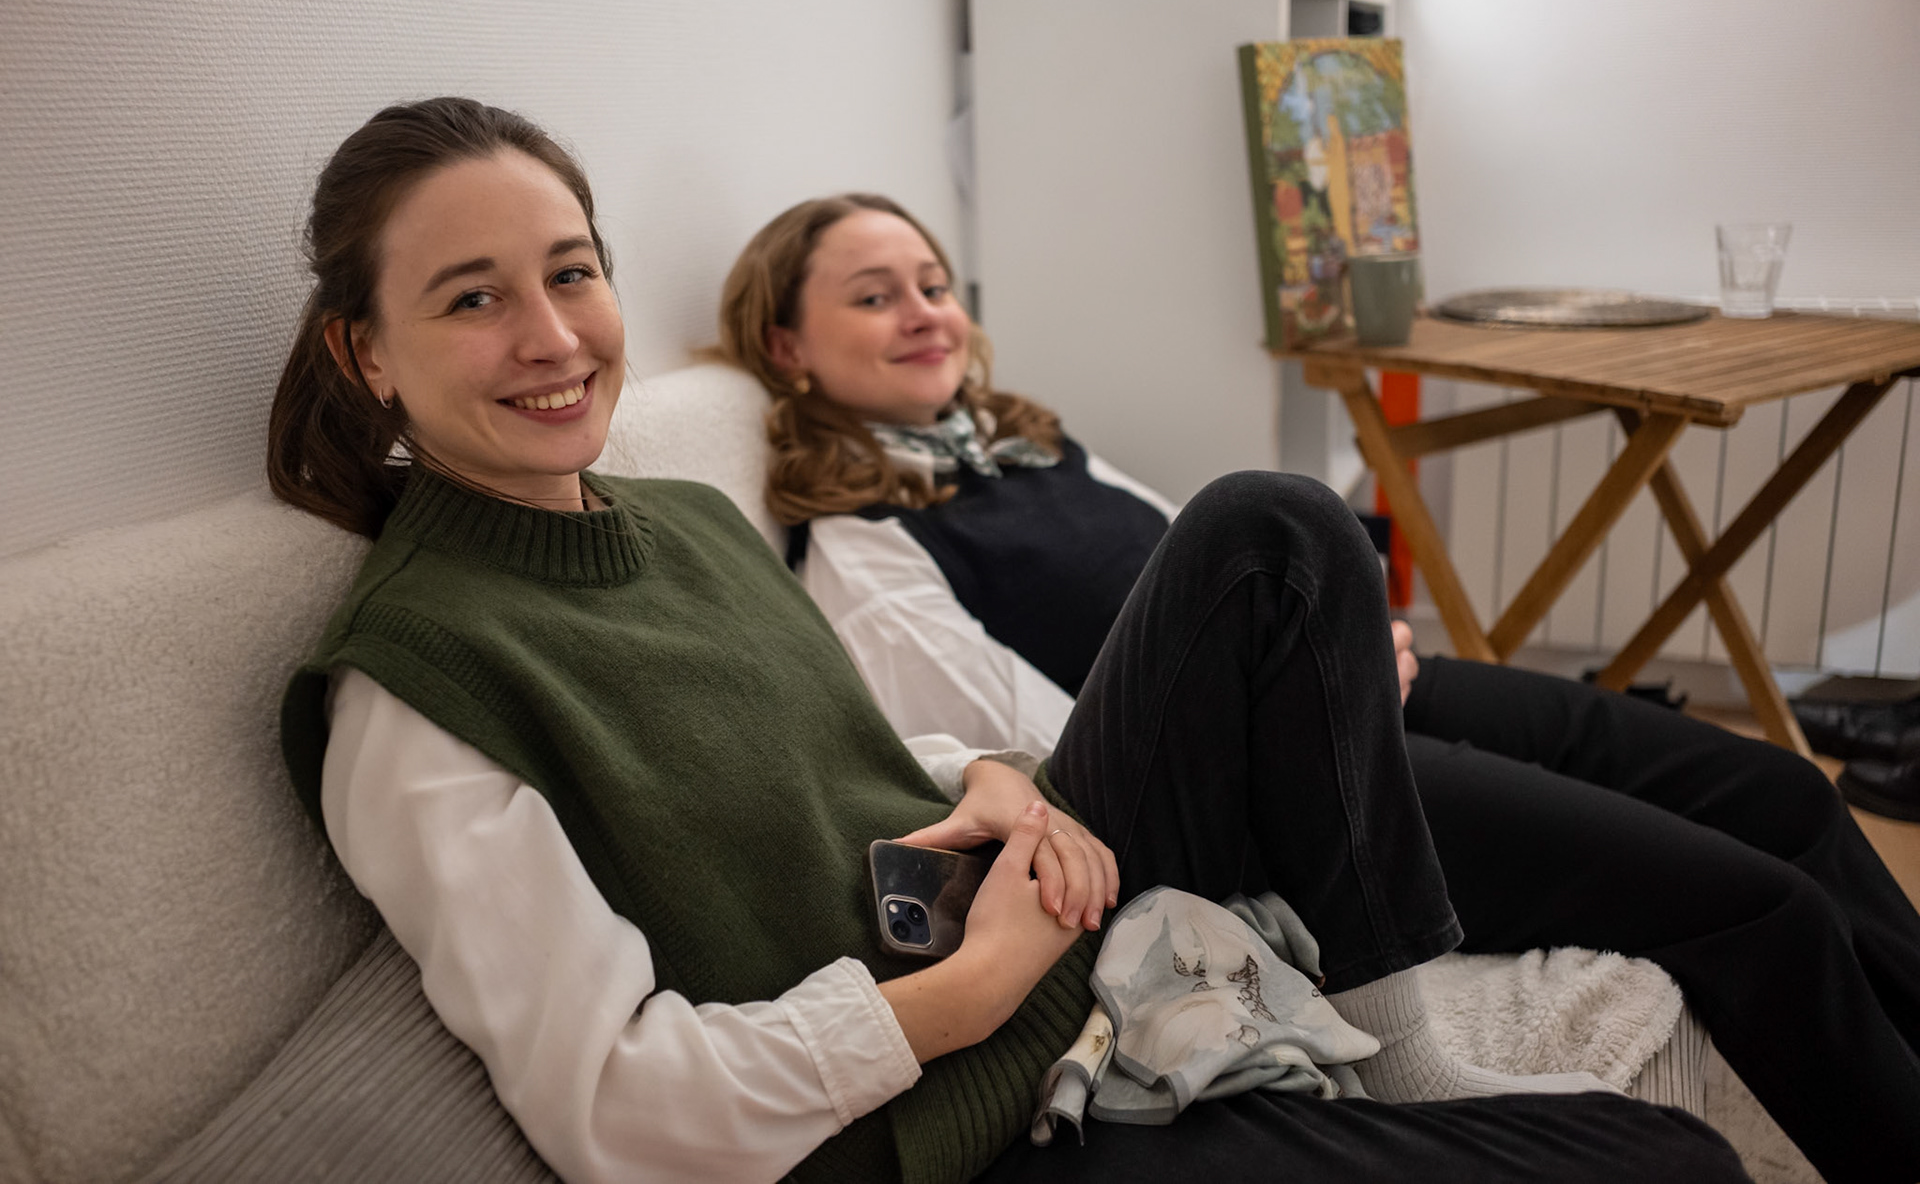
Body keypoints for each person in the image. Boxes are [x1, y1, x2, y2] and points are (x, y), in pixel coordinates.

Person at [266, 99, 1748, 1184]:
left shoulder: (688, 522)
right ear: (364, 350)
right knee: (1668, 1165)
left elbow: (835, 751)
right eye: (474, 299)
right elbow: (619, 1112)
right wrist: (970, 988)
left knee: (1275, 530)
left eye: (571, 271)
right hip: (960, 1125)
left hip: (1058, 945)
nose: (551, 336)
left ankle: (1403, 1053)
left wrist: (985, 777)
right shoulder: (415, 688)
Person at [713, 191, 1920, 1184]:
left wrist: (1350, 632)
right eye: (874, 296)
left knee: (1786, 796)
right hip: (1273, 780)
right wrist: (1299, 685)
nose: (923, 312)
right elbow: (1053, 751)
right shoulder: (863, 542)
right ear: (786, 348)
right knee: (1760, 911)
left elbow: (1184, 557)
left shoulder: (1030, 446)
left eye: (933, 284)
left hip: (1365, 689)